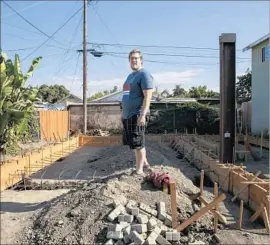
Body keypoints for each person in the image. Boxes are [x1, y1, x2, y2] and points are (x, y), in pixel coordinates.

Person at [121, 49, 153, 175]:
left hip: (138, 114)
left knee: (138, 142)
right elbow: (125, 96)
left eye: (136, 58)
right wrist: (122, 113)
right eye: (131, 58)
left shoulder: (144, 74)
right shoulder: (129, 77)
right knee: (133, 143)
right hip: (127, 115)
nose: (134, 60)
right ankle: (145, 164)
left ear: (141, 60)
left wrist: (143, 114)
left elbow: (148, 96)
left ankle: (139, 170)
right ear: (129, 61)